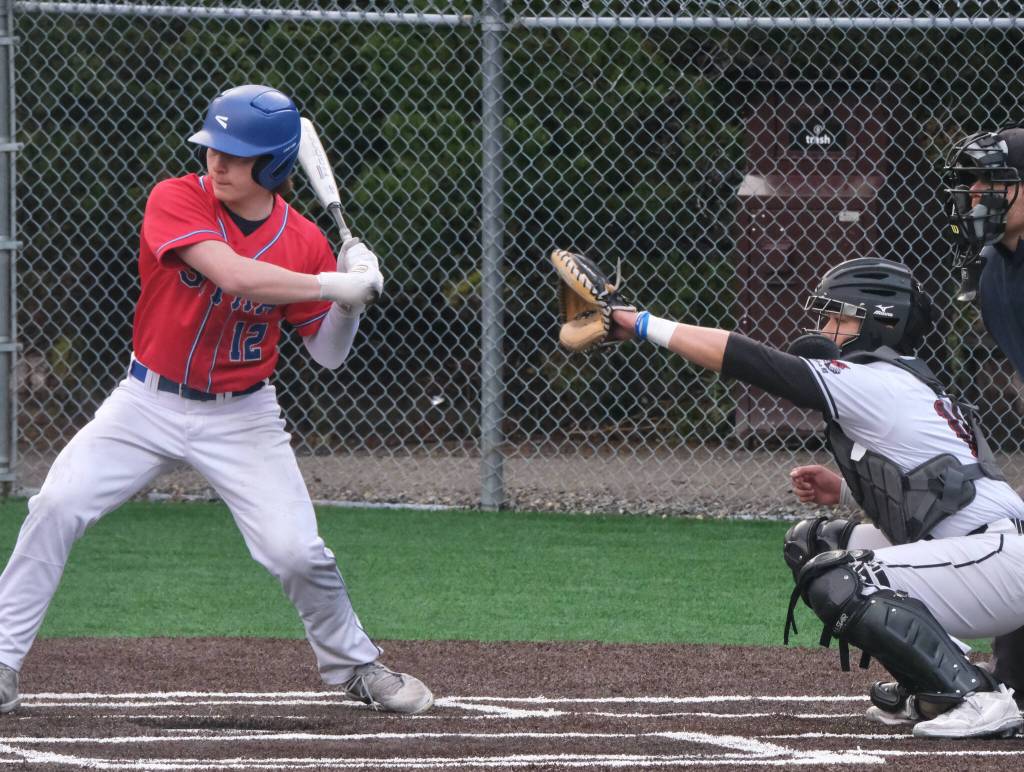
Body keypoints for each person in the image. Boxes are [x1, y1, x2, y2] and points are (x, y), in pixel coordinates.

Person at [0, 84, 433, 715]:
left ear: (277, 166)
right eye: (213, 148)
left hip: (243, 414)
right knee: (57, 505)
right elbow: (231, 271)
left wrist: (350, 302)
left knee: (296, 552)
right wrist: (336, 279)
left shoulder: (306, 240)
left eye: (237, 154)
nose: (218, 162)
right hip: (144, 403)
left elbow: (329, 352)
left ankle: (356, 667)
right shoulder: (176, 198)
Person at [606, 256, 1024, 739]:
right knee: (816, 542)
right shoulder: (903, 380)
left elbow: (751, 361)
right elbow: (943, 486)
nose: (827, 329)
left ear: (879, 321)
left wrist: (641, 323)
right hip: (990, 555)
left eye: (839, 317)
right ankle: (932, 688)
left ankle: (974, 695)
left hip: (999, 562)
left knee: (840, 576)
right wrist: (845, 488)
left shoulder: (875, 380)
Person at [941, 125, 1024, 707]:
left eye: (995, 181)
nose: (977, 193)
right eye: (973, 182)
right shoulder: (993, 267)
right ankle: (1015, 687)